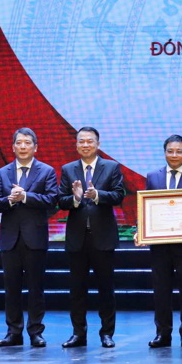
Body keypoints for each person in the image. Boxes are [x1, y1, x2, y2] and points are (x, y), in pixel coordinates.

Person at [58, 127, 127, 349]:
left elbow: (119, 195)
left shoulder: (111, 167)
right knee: (77, 290)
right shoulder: (68, 169)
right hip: (77, 238)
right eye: (81, 141)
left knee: (106, 289)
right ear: (76, 144)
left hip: (103, 237)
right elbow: (60, 200)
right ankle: (78, 334)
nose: (85, 145)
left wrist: (97, 195)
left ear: (98, 144)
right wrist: (75, 199)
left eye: (90, 141)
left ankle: (107, 333)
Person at [0, 128, 57, 348]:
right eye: (19, 143)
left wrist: (26, 196)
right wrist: (10, 200)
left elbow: (51, 201)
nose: (23, 146)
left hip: (35, 238)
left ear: (35, 147)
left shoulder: (46, 171)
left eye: (28, 143)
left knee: (36, 288)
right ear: (13, 147)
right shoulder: (3, 173)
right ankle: (13, 332)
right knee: (11, 289)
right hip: (10, 239)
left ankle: (36, 331)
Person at [143, 134, 182, 349]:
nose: (174, 155)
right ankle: (163, 334)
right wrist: (141, 231)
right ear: (164, 152)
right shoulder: (153, 177)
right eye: (170, 151)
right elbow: (146, 208)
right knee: (161, 290)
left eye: (179, 151)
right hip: (159, 245)